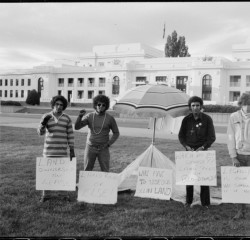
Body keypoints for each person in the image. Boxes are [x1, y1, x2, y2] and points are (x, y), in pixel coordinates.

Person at [178, 96, 216, 209]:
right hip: (189, 152)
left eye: (197, 105)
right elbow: (181, 136)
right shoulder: (186, 120)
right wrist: (186, 146)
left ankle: (205, 203)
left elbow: (212, 137)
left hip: (203, 152)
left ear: (201, 106)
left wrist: (203, 147)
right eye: (193, 105)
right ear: (190, 107)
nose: (195, 107)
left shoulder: (207, 119)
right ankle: (188, 201)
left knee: (204, 178)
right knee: (189, 178)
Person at [37, 95, 75, 202]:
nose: (59, 107)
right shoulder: (46, 116)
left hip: (62, 151)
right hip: (48, 151)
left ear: (64, 107)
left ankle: (64, 195)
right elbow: (40, 133)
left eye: (61, 105)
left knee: (63, 174)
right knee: (47, 174)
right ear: (53, 105)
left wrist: (72, 149)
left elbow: (70, 134)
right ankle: (46, 195)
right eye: (57, 104)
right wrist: (43, 123)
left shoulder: (67, 118)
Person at [75, 95, 120, 172]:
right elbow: (77, 127)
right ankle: (87, 184)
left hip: (103, 148)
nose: (101, 106)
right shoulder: (89, 116)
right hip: (90, 147)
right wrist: (80, 116)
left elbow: (116, 133)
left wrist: (108, 144)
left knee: (105, 170)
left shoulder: (110, 118)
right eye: (99, 104)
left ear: (106, 106)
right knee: (87, 170)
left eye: (103, 105)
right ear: (95, 105)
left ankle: (105, 184)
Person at [227, 92, 250, 220]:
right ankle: (240, 211)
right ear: (241, 104)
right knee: (239, 185)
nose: (248, 107)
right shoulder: (233, 116)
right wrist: (233, 156)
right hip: (239, 155)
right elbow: (230, 137)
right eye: (245, 104)